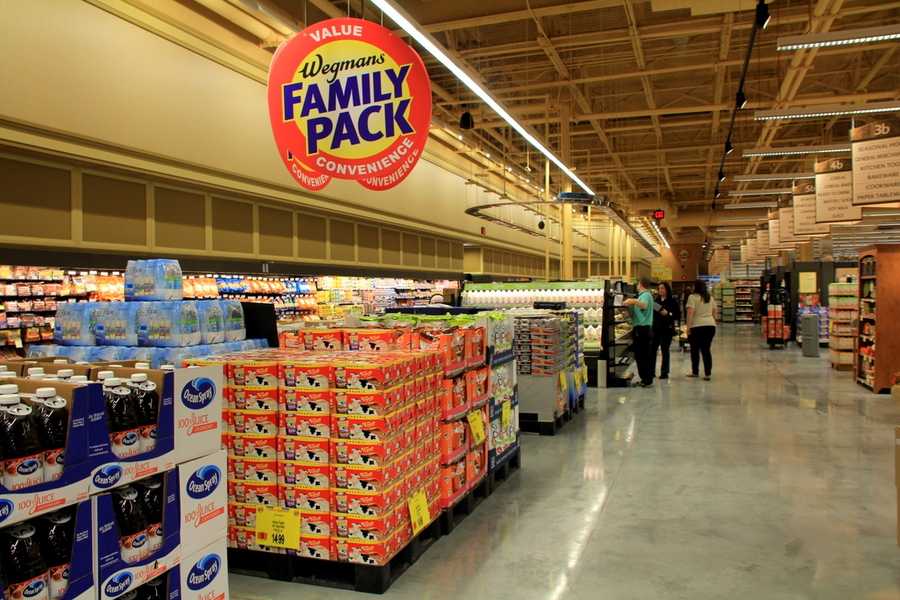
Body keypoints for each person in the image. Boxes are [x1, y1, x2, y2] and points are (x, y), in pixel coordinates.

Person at [623, 277, 654, 387]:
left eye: (637, 284)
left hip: (642, 329)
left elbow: (644, 305)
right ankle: (645, 379)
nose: (636, 286)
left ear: (641, 284)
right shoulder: (643, 296)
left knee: (642, 356)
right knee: (642, 355)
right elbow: (637, 312)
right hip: (642, 329)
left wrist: (632, 301)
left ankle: (646, 379)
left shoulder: (645, 295)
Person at [686, 280, 717, 380]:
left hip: (697, 326)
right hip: (710, 326)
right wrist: (712, 321)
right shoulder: (710, 298)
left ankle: (695, 372)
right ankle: (708, 373)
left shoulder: (692, 297)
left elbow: (690, 313)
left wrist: (688, 328)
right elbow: (714, 311)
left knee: (695, 350)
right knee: (706, 350)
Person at [652, 282, 680, 380]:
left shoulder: (672, 301)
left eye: (663, 288)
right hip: (656, 329)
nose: (661, 290)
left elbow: (677, 315)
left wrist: (668, 314)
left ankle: (664, 372)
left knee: (665, 351)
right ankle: (651, 372)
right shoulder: (656, 300)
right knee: (652, 351)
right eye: (659, 288)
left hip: (666, 330)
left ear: (667, 289)